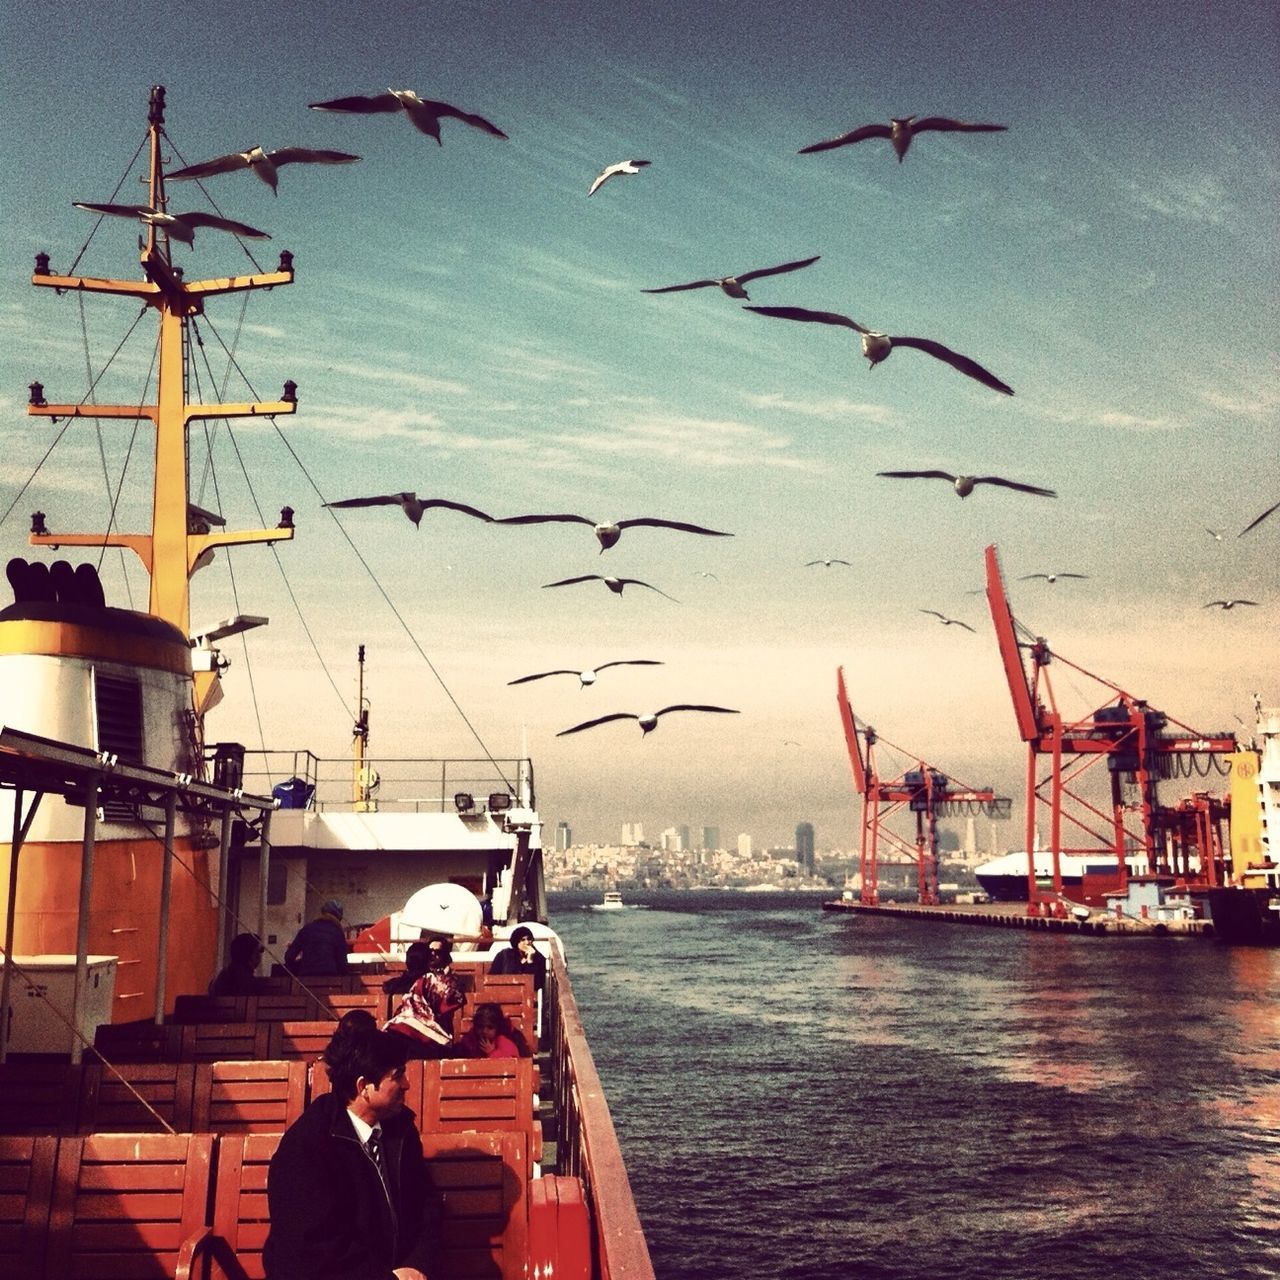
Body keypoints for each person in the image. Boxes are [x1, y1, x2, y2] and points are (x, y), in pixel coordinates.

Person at [264, 1025, 441, 1280]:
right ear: (364, 1087)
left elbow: (426, 1205)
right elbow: (311, 1250)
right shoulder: (306, 1146)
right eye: (397, 1075)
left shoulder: (400, 1130)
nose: (407, 1084)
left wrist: (417, 1265)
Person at [284, 899, 350, 976]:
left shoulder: (307, 929)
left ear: (322, 913)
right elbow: (342, 965)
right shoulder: (338, 933)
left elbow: (289, 957)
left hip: (305, 980)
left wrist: (305, 963)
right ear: (339, 918)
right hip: (331, 981)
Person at [455, 1002, 529, 1060]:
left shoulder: (504, 1042)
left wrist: (492, 1052)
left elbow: (513, 1065)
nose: (484, 1031)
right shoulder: (469, 1041)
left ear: (497, 1028)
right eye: (480, 1027)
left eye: (490, 1027)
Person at [489, 925, 546, 991]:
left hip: (528, 996)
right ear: (516, 942)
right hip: (506, 993)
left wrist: (530, 960)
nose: (527, 942)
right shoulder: (504, 955)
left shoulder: (538, 958)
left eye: (529, 939)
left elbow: (536, 985)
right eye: (523, 940)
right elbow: (492, 978)